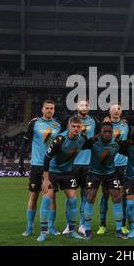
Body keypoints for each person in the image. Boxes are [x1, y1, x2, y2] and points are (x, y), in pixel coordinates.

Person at [18, 100, 62, 237]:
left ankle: (51, 226)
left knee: (52, 197)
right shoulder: (34, 123)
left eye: (52, 108)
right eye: (47, 108)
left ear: (54, 110)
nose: (49, 110)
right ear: (42, 109)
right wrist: (20, 162)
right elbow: (24, 143)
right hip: (37, 165)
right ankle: (29, 227)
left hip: (53, 166)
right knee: (33, 196)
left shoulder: (58, 125)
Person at [41, 116, 87, 240]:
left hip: (68, 172)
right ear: (69, 127)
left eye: (78, 127)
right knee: (46, 199)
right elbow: (46, 159)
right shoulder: (60, 139)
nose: (76, 129)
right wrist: (46, 179)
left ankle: (71, 230)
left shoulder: (82, 140)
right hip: (53, 171)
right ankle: (43, 232)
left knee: (72, 200)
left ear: (81, 127)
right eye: (74, 126)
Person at [82, 122, 128, 240]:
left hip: (111, 173)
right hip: (94, 173)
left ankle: (119, 230)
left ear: (112, 132)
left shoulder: (117, 144)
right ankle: (87, 230)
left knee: (117, 198)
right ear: (100, 133)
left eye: (109, 132)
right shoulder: (93, 143)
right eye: (105, 132)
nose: (107, 134)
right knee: (90, 197)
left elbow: (130, 151)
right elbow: (79, 144)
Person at [61, 99, 100, 235]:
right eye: (81, 104)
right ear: (77, 107)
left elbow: (100, 137)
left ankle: (82, 224)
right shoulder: (69, 120)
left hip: (88, 164)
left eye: (86, 105)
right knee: (70, 196)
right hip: (71, 163)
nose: (84, 107)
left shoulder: (94, 121)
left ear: (89, 108)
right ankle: (69, 225)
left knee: (86, 194)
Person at [97, 104, 130, 235]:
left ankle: (122, 225)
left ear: (121, 112)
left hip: (123, 165)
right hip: (107, 165)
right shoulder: (103, 126)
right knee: (105, 194)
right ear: (109, 111)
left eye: (119, 109)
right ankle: (102, 224)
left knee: (123, 195)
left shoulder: (126, 125)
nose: (116, 111)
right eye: (114, 109)